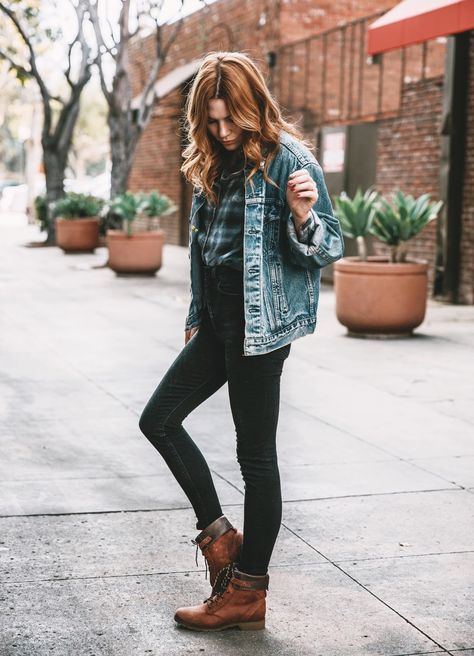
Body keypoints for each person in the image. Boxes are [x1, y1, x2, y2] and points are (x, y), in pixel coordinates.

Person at [139, 51, 344, 632]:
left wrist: (303, 215)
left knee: (256, 459)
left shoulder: (289, 162)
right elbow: (205, 248)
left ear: (254, 108)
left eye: (233, 120)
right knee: (158, 419)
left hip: (262, 326)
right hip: (219, 317)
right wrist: (196, 311)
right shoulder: (214, 160)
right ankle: (221, 540)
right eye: (213, 121)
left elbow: (330, 245)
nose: (224, 132)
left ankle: (248, 593)